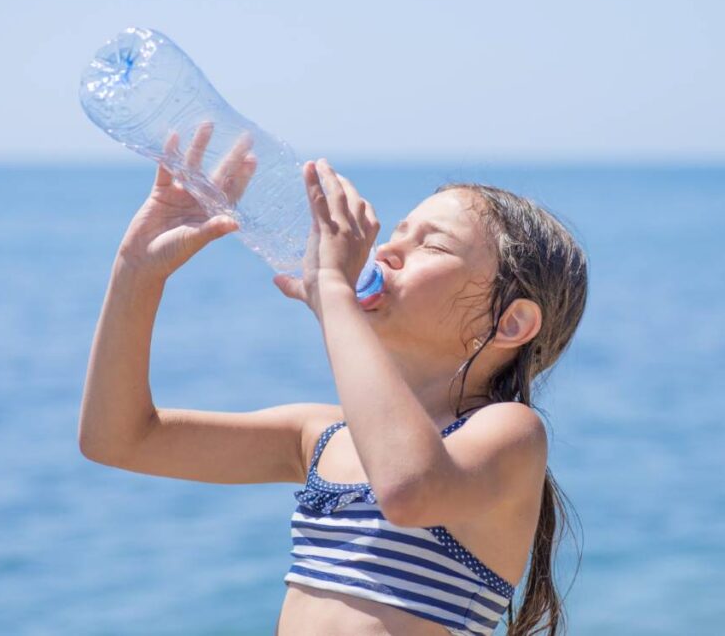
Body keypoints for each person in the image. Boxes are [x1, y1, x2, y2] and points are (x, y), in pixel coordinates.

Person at [78, 124, 589, 635]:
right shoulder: (321, 437)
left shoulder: (510, 434)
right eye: (396, 234)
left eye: (432, 245)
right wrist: (136, 272)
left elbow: (409, 490)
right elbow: (119, 439)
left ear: (511, 323)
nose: (387, 251)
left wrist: (333, 293)